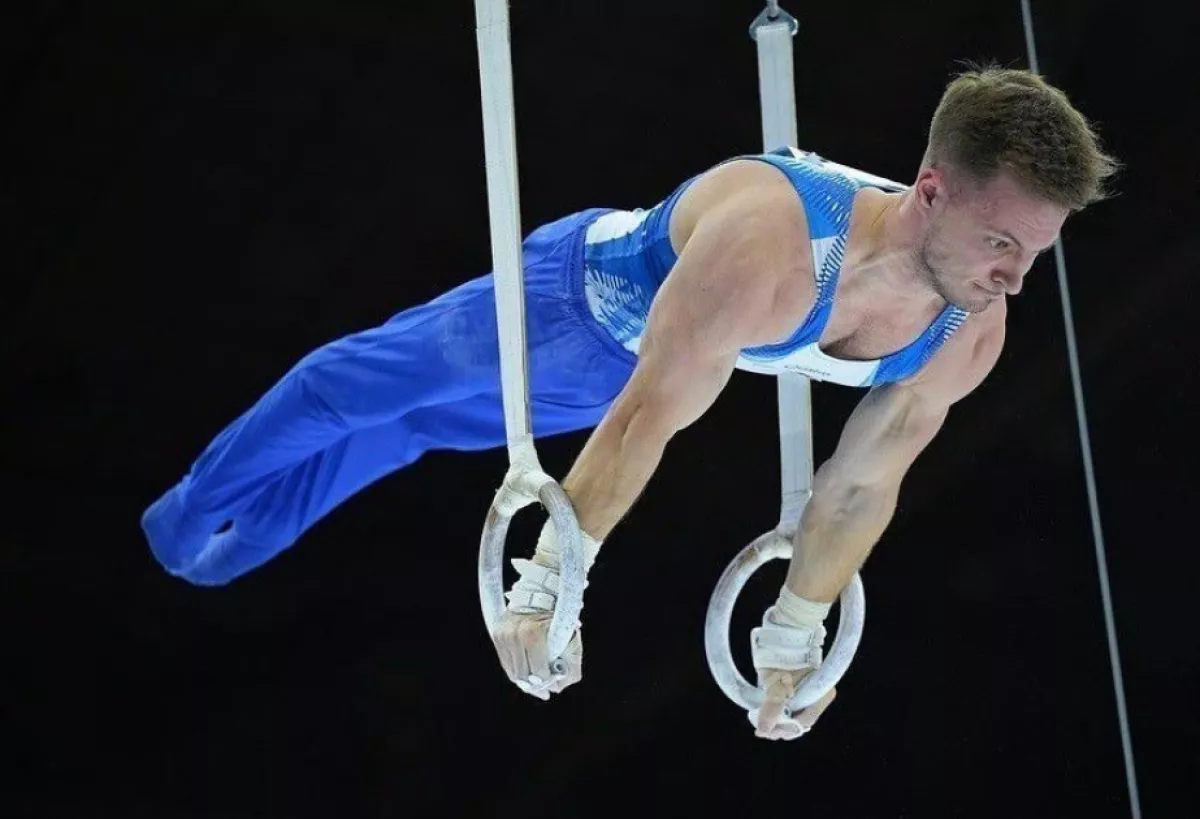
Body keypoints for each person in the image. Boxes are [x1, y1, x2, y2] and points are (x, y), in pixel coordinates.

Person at [140, 65, 1118, 739]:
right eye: (1002, 244)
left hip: (615, 380)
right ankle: (184, 514)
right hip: (566, 303)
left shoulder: (968, 331)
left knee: (414, 431)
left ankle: (233, 542)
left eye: (1035, 253)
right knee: (351, 390)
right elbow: (653, 416)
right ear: (932, 190)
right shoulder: (773, 245)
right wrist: (549, 584)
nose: (1015, 278)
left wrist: (796, 633)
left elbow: (861, 487)